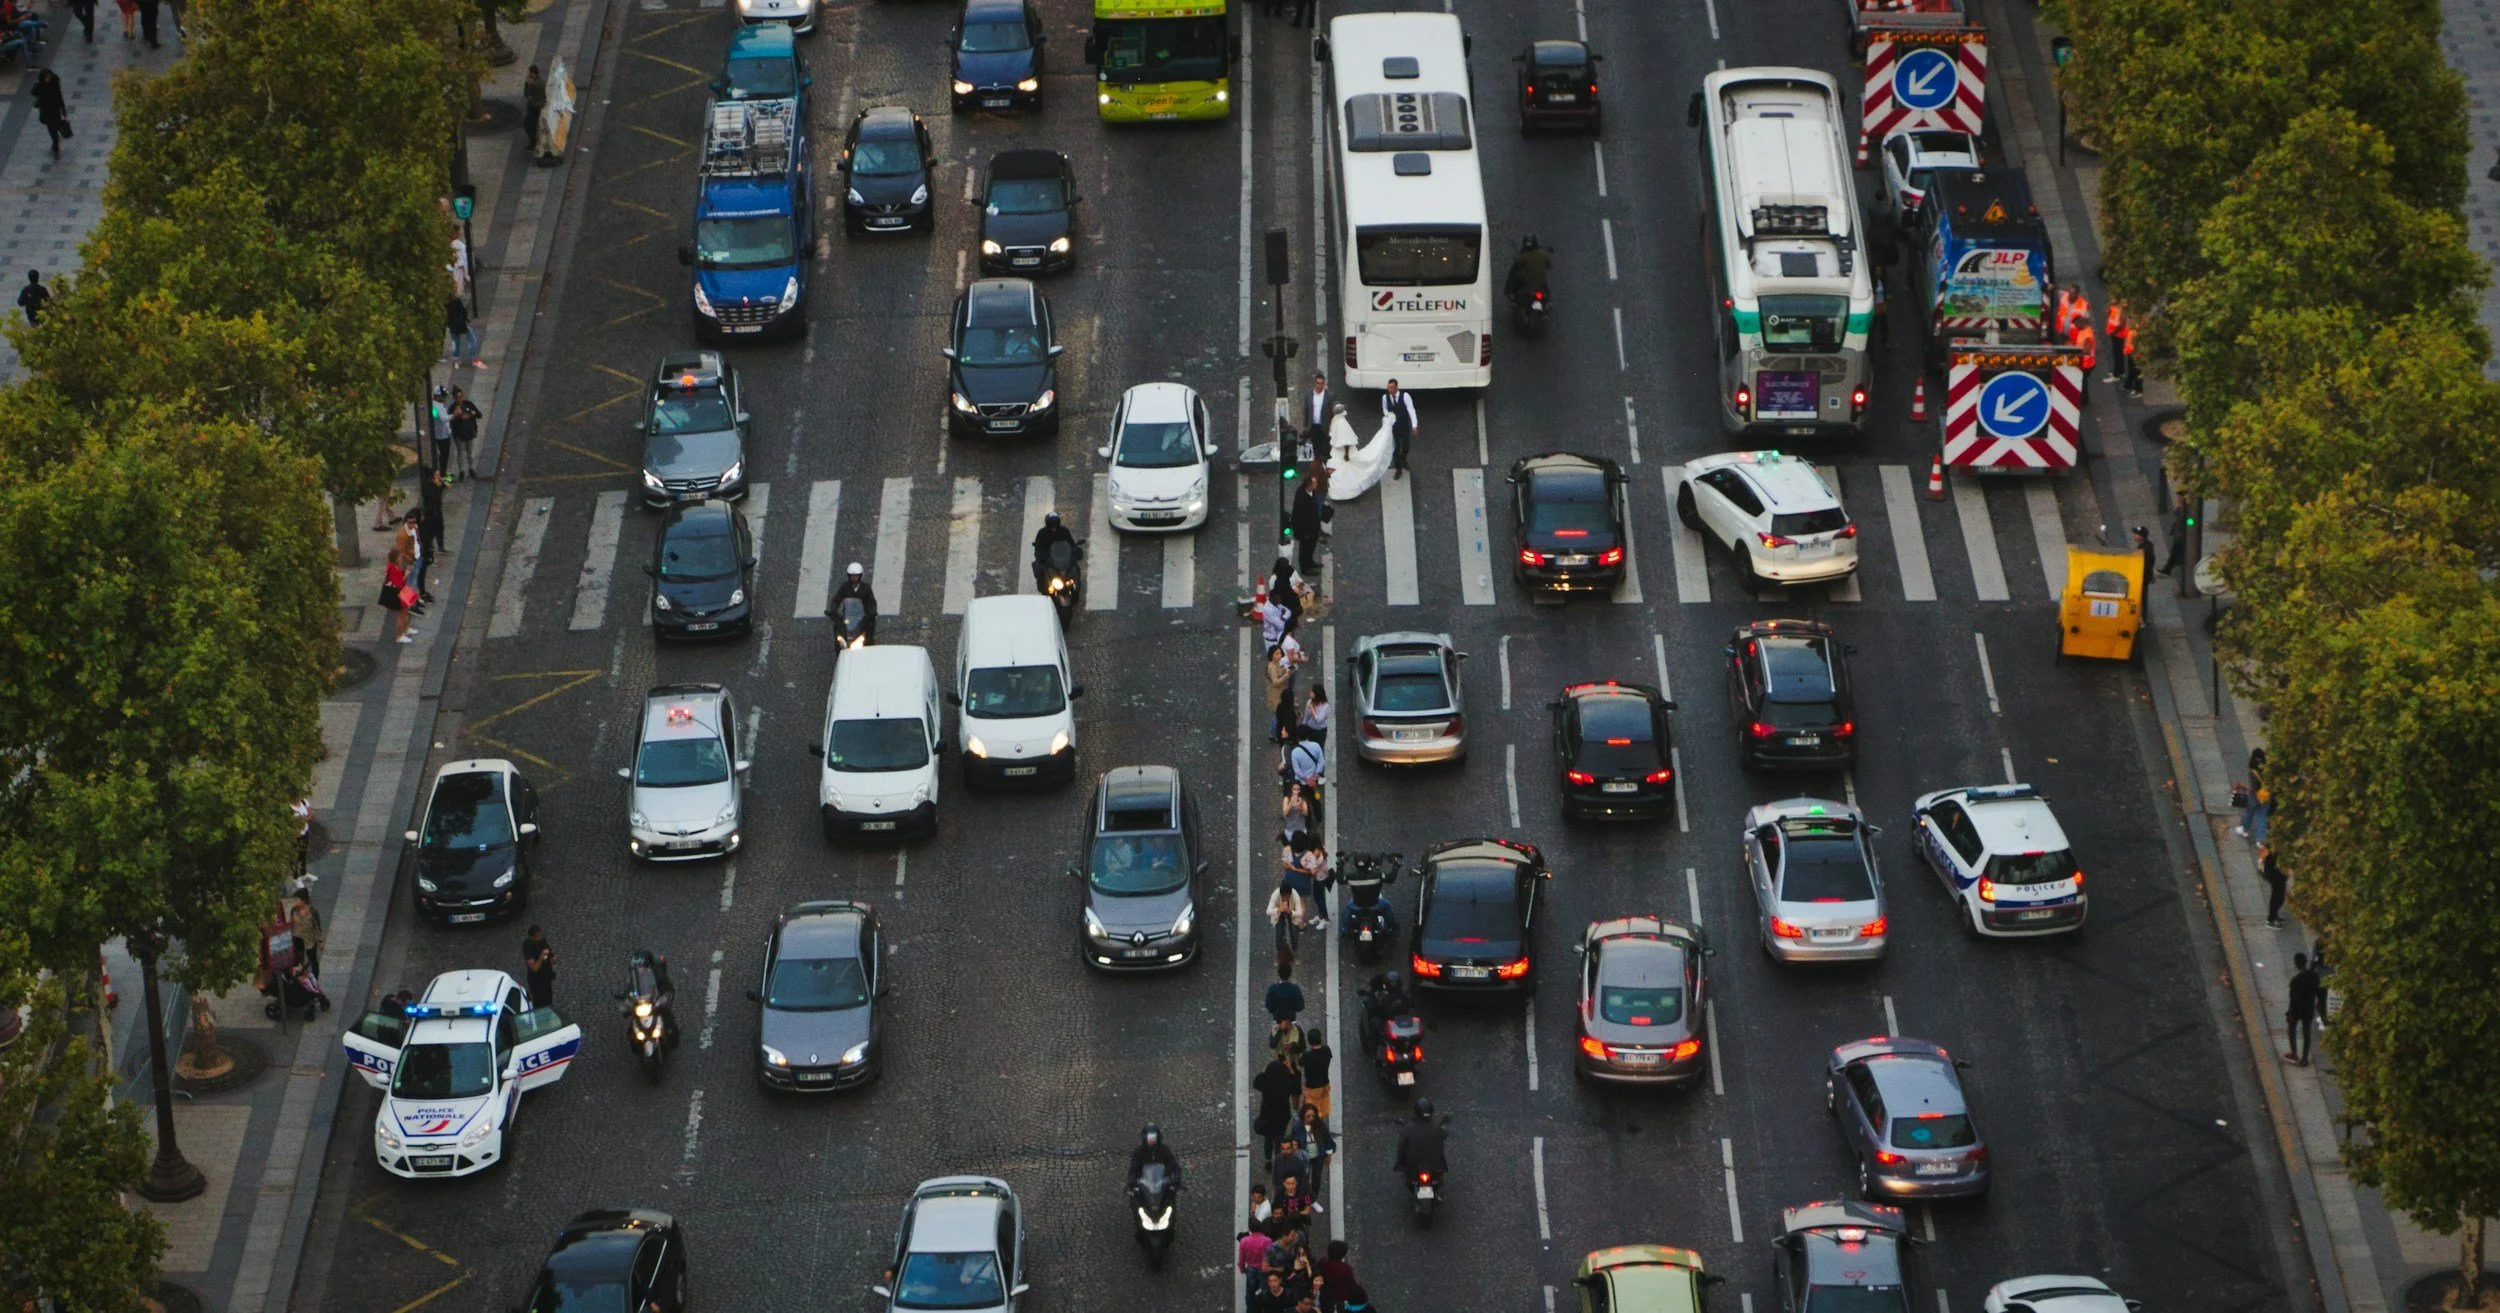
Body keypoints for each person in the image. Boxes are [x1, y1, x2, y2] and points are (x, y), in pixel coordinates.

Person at [1253, 1056, 1300, 1161]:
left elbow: (1256, 1082)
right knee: (1280, 1138)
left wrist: (1264, 1071)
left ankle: (1268, 1159)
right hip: (1282, 1115)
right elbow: (1296, 1087)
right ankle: (1279, 1161)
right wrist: (1291, 1070)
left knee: (1268, 1138)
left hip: (1267, 1114)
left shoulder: (1266, 1083)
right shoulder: (1286, 1084)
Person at [1391, 1098, 1449, 1181]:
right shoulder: (1437, 1129)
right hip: (1435, 1167)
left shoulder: (1409, 1129)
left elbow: (1401, 1148)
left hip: (1413, 1167)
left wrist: (1400, 1164)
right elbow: (1444, 1136)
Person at [2285, 952, 2322, 1066]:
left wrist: (2290, 1012)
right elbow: (2319, 991)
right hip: (2309, 1008)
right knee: (2307, 1033)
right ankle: (2304, 1058)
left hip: (2297, 1009)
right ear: (2305, 962)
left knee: (2292, 1029)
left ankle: (2294, 1053)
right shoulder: (2314, 976)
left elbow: (2293, 999)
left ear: (2296, 964)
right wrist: (2319, 1003)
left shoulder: (2295, 980)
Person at [1289, 472, 1327, 575]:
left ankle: (1310, 562)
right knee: (1305, 549)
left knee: (1311, 547)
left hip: (1313, 527)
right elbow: (1298, 517)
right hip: (1305, 530)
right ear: (1309, 485)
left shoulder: (1311, 492)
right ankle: (1305, 568)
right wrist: (1304, 532)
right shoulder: (1302, 496)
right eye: (1314, 483)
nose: (1316, 484)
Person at [1379, 379, 1419, 478]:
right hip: (1393, 428)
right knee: (1395, 449)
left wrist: (1414, 425)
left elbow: (1411, 410)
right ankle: (1398, 469)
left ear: (1397, 387)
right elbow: (1384, 408)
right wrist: (1388, 415)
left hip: (1404, 426)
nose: (1390, 390)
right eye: (1388, 388)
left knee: (1406, 447)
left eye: (1392, 388)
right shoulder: (1385, 397)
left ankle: (1403, 459)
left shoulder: (1405, 396)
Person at [288, 891, 327, 991]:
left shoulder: (312, 911)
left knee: (312, 960)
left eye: (297, 900)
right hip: (298, 938)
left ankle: (315, 981)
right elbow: (291, 925)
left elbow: (317, 927)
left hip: (309, 939)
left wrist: (320, 941)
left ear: (303, 900)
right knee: (298, 961)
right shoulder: (293, 911)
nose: (295, 902)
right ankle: (299, 981)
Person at [1030, 510, 1077, 590]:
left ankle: (1076, 583)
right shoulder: (1042, 533)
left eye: (1055, 523)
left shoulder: (1064, 531)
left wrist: (1075, 551)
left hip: (1063, 556)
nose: (1053, 526)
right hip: (1049, 558)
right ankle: (1043, 588)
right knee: (1039, 569)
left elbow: (1071, 543)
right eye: (1051, 523)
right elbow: (1038, 547)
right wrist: (1042, 556)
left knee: (1075, 566)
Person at [831, 562, 878, 642]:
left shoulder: (866, 587)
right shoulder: (845, 586)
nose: (854, 578)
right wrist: (833, 611)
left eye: (856, 576)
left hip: (863, 617)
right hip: (848, 615)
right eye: (852, 576)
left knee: (869, 628)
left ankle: (869, 643)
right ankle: (838, 645)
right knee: (838, 627)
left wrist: (872, 612)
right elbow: (836, 600)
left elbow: (872, 601)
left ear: (860, 576)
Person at [1297, 1103, 1337, 1195]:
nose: (1311, 1118)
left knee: (1317, 1178)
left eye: (1313, 1116)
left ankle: (1313, 1197)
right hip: (1305, 1157)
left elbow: (1327, 1140)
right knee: (1304, 1177)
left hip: (1318, 1156)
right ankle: (1305, 1196)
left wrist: (1328, 1155)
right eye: (1308, 1116)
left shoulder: (1320, 1125)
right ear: (1303, 1116)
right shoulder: (1298, 1126)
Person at [1128, 1123, 1180, 1188]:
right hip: (1144, 1187)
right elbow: (1133, 1169)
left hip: (1163, 1186)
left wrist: (1176, 1178)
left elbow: (1174, 1166)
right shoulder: (1138, 1152)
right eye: (1150, 1139)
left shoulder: (1165, 1150)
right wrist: (1132, 1181)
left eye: (1153, 1138)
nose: (1152, 1142)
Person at [381, 552, 418, 643]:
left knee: (405, 612)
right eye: (400, 557)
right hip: (398, 594)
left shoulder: (392, 566)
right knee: (401, 615)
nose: (401, 559)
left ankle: (405, 629)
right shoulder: (394, 570)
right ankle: (399, 635)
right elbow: (399, 583)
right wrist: (406, 574)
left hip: (399, 592)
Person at [2236, 747, 2271, 842]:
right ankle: (2260, 840)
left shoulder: (2253, 772)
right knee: (2262, 817)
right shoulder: (2267, 769)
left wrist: (2243, 787)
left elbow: (2254, 788)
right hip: (2266, 796)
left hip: (2254, 797)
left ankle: (2245, 830)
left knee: (2249, 813)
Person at [32, 74, 68, 159]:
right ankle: (56, 149)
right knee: (53, 132)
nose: (48, 79)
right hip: (47, 114)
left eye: (49, 77)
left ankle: (55, 147)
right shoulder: (40, 86)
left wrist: (63, 110)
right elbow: (33, 92)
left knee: (55, 129)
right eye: (46, 77)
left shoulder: (54, 85)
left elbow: (60, 97)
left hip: (55, 112)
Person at [449, 389, 483, 479]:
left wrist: (472, 414)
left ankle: (471, 468)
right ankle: (462, 471)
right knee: (461, 453)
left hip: (469, 432)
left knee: (470, 452)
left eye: (460, 397)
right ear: (454, 398)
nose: (459, 399)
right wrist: (459, 417)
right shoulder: (452, 408)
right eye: (457, 397)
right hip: (459, 435)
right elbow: (450, 422)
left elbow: (479, 414)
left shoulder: (468, 404)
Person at [523, 924, 557, 1008]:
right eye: (538, 936)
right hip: (536, 981)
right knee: (540, 1003)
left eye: (540, 935)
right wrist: (541, 956)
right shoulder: (527, 946)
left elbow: (551, 958)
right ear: (532, 937)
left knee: (548, 1000)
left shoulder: (543, 942)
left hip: (546, 977)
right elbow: (534, 968)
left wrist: (553, 959)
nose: (540, 938)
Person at [2159, 490, 2192, 578]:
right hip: (2177, 535)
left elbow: (2191, 522)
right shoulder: (2179, 508)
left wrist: (2188, 522)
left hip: (2182, 536)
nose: (2178, 499)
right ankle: (2168, 570)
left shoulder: (2187, 509)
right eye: (2178, 497)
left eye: (2180, 497)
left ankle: (2167, 570)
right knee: (2177, 555)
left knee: (2175, 554)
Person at [1318, 1242, 1357, 1313]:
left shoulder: (1323, 1264)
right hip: (1341, 1301)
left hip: (1325, 1299)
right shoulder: (1346, 1268)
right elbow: (1352, 1286)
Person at [1301, 1038, 1334, 1119]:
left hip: (1312, 1088)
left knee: (1311, 1109)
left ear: (1309, 1042)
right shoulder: (1326, 1050)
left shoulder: (1307, 1055)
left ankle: (1314, 1126)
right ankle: (1320, 1122)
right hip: (1325, 1084)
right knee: (1323, 1107)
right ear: (1321, 1039)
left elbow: (1300, 1063)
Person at [447, 295, 483, 369]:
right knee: (471, 339)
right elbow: (463, 311)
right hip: (461, 324)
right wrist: (465, 320)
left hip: (452, 325)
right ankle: (474, 358)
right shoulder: (456, 300)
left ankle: (456, 361)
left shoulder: (445, 302)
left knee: (455, 342)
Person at [1238, 1227, 1275, 1300]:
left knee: (1250, 1292)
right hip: (1263, 1269)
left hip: (1251, 1269)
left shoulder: (1244, 1241)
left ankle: (1250, 1308)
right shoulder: (1267, 1240)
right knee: (1264, 1290)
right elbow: (1272, 1256)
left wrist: (1242, 1269)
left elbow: (1241, 1258)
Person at [2258, 843, 2288, 928]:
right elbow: (2262, 855)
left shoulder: (2276, 844)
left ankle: (2274, 916)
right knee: (2277, 897)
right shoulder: (2271, 846)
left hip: (2277, 873)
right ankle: (2270, 920)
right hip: (2274, 874)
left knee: (2280, 896)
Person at [1302, 372, 1334, 447]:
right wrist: (1304, 425)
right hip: (1313, 426)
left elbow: (1332, 412)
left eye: (1322, 383)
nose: (1320, 386)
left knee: (1325, 446)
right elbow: (1305, 410)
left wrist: (1331, 426)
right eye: (1318, 383)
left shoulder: (1329, 395)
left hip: (1324, 426)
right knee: (1315, 445)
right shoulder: (1308, 394)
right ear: (1314, 383)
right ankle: (1317, 457)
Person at [523, 65, 548, 154]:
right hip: (541, 105)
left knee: (528, 124)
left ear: (532, 73)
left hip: (533, 107)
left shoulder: (532, 84)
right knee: (534, 123)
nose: (527, 74)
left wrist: (526, 83)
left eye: (528, 72)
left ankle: (533, 142)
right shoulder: (541, 81)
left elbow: (526, 95)